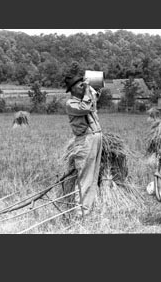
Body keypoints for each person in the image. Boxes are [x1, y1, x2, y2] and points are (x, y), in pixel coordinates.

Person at [64, 74, 103, 216]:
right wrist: (87, 90)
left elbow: (93, 102)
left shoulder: (84, 99)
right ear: (72, 89)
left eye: (83, 84)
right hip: (85, 141)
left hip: (95, 138)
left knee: (93, 177)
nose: (83, 86)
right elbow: (85, 108)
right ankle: (80, 213)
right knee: (85, 177)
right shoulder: (71, 104)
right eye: (80, 85)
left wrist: (95, 89)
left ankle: (88, 210)